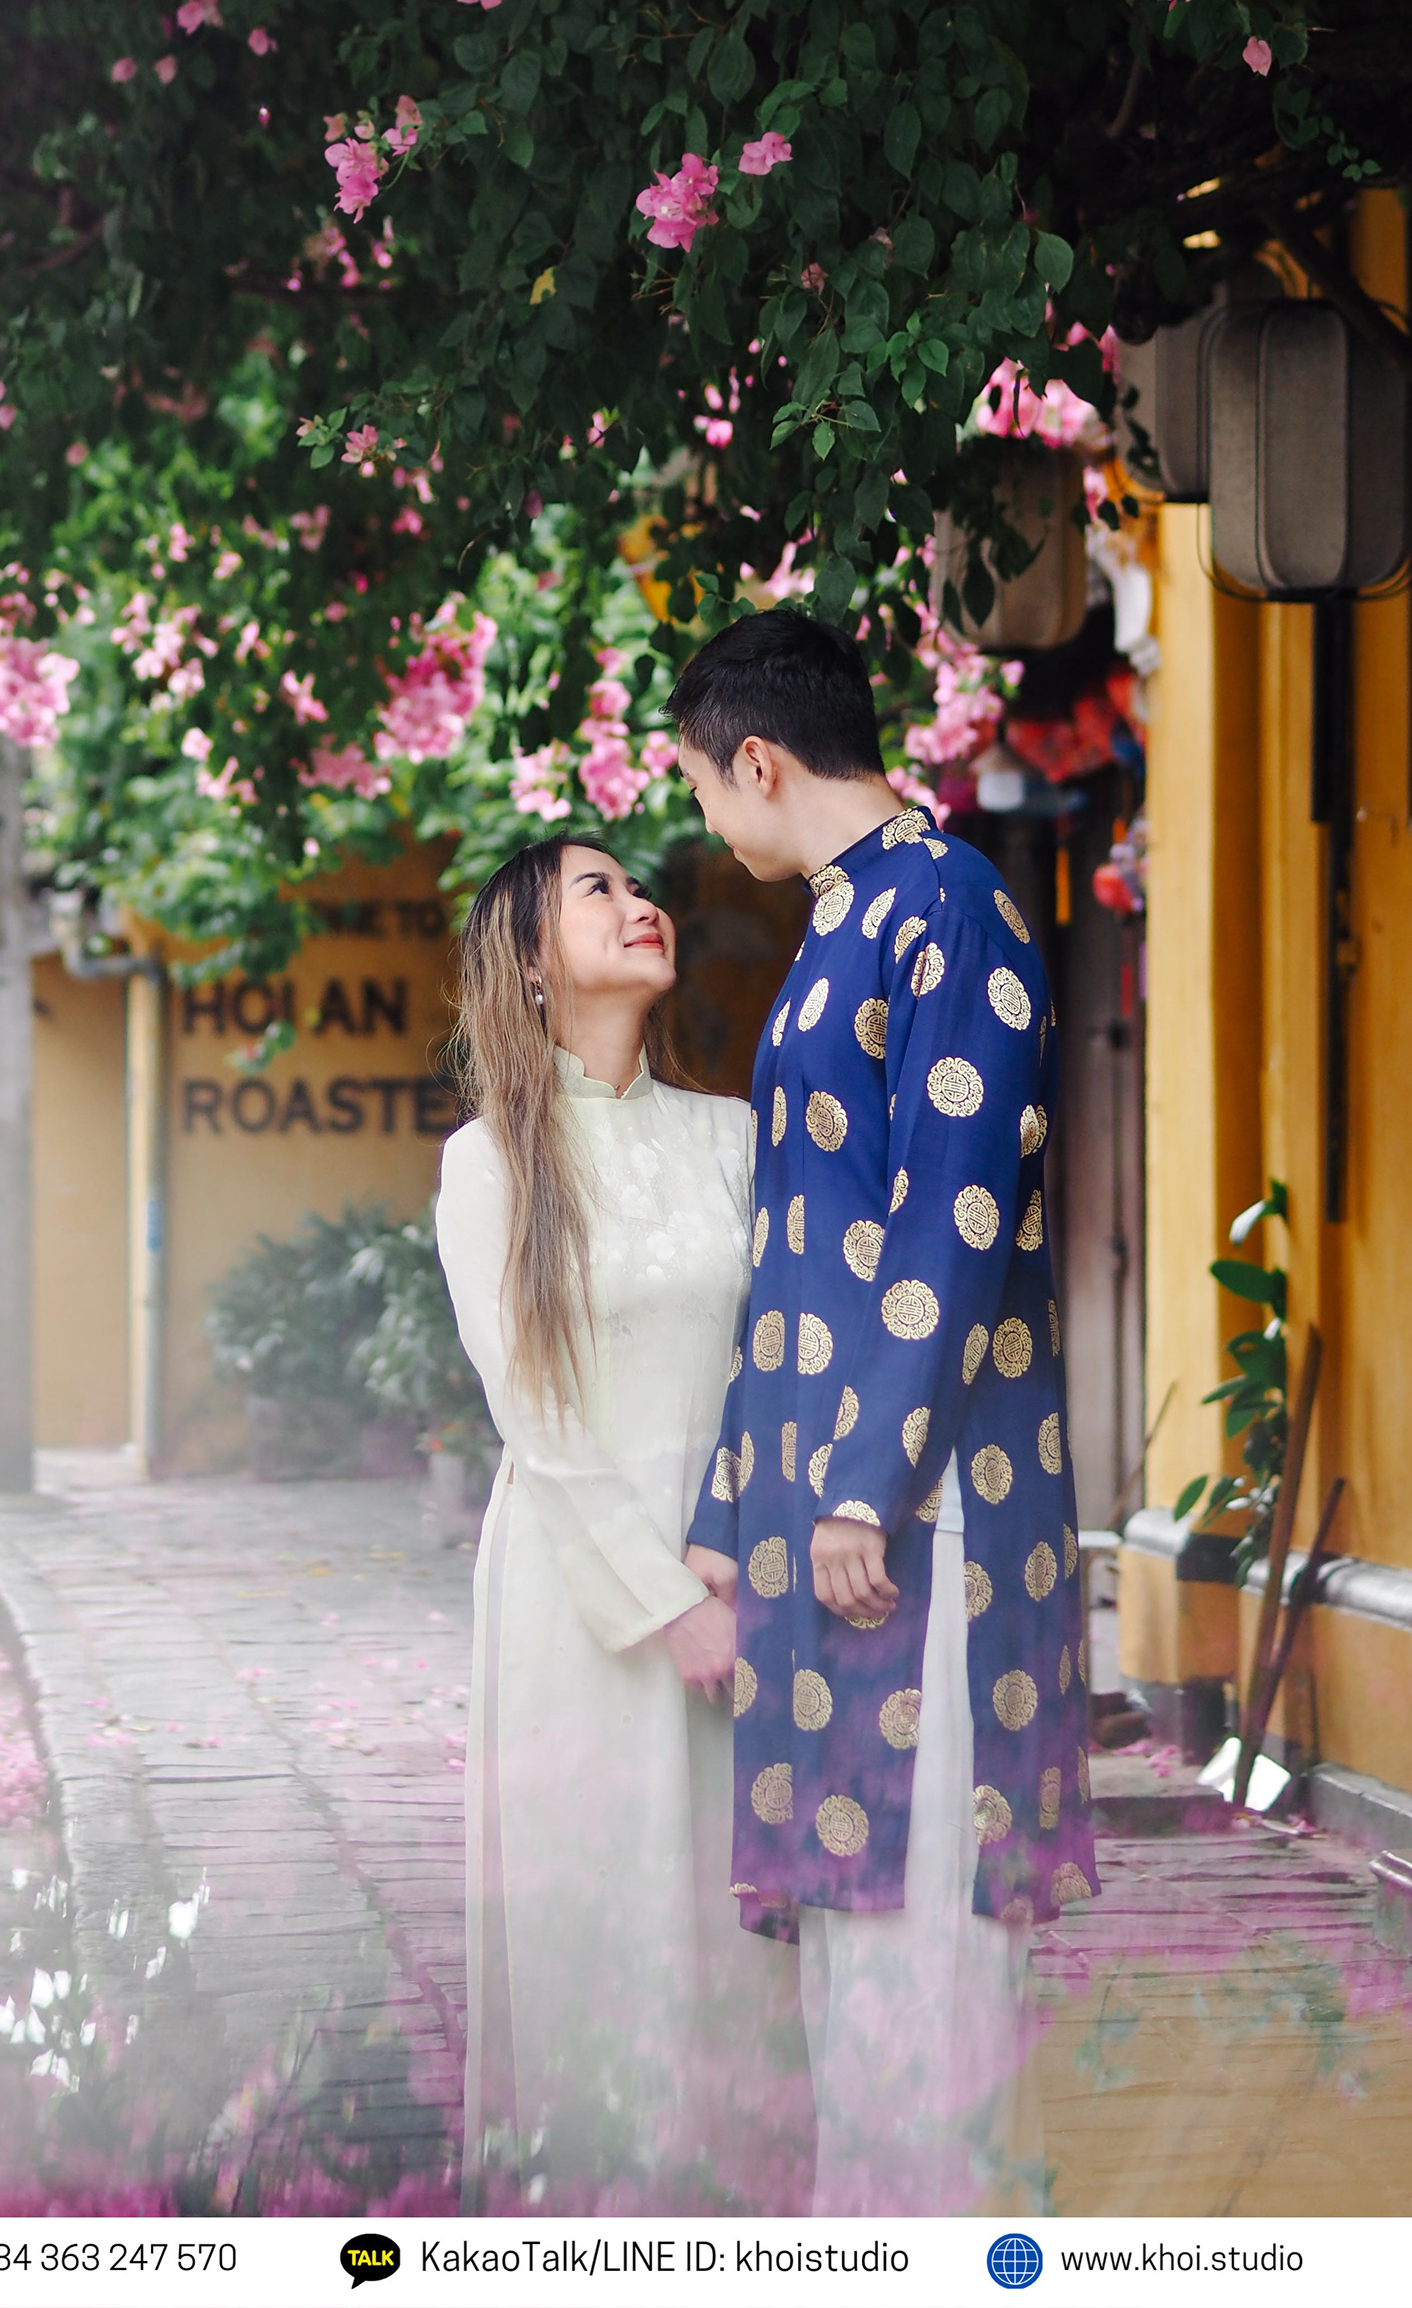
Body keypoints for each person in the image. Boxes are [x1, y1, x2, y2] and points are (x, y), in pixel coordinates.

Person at [671, 607, 1100, 2217]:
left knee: (924, 1912)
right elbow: (791, 1253)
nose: (708, 820)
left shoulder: (952, 911)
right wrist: (732, 1510)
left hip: (926, 1509)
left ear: (758, 761)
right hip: (833, 1507)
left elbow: (955, 1219)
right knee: (855, 1927)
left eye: (701, 786)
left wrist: (865, 1481)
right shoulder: (845, 928)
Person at [436, 834, 813, 2215]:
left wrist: (736, 1560)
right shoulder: (490, 1163)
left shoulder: (733, 1138)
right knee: (599, 1912)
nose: (637, 901)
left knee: (735, 1925)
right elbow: (531, 1409)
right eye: (594, 890)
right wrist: (663, 1606)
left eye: (637, 884)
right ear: (532, 963)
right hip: (581, 1590)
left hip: (739, 1560)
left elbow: (784, 1357)